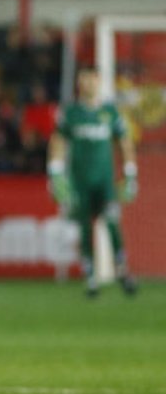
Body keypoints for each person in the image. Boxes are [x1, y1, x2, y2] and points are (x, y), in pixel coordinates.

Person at [48, 68, 139, 299]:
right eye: (83, 79)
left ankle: (122, 269)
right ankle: (90, 277)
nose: (87, 83)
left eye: (91, 79)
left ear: (99, 81)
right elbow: (58, 141)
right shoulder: (71, 113)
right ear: (79, 83)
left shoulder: (110, 112)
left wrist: (130, 173)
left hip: (104, 182)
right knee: (85, 228)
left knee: (111, 221)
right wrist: (55, 173)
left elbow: (124, 142)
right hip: (80, 183)